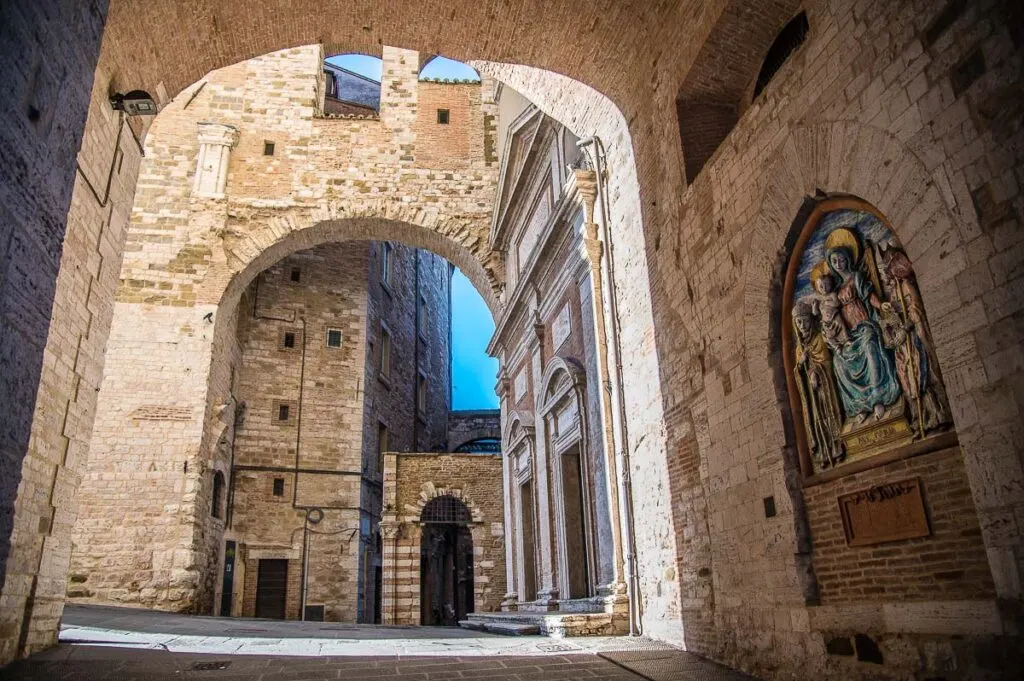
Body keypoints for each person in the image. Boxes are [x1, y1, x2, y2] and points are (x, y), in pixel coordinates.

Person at [824, 229, 901, 423]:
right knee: (839, 362)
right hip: (849, 335)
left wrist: (881, 304)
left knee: (870, 346)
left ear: (847, 260)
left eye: (841, 260)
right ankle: (860, 404)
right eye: (834, 262)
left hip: (865, 325)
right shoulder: (836, 291)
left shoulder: (856, 278)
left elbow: (868, 295)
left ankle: (877, 400)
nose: (838, 264)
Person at [792, 302, 844, 468]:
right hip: (811, 394)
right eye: (799, 322)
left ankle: (837, 448)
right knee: (816, 420)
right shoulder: (800, 348)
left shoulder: (818, 339)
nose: (802, 325)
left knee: (829, 415)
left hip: (824, 388)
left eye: (805, 321)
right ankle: (823, 452)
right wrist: (800, 364)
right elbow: (797, 372)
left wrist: (816, 372)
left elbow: (826, 361)